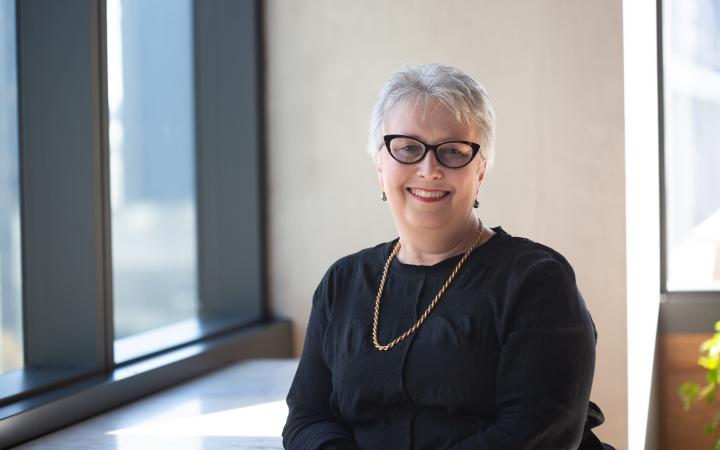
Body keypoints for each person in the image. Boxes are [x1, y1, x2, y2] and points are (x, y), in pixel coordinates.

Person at [282, 63, 613, 450]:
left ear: (481, 170)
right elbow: (307, 419)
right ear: (379, 164)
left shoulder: (536, 281)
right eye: (407, 148)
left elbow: (538, 430)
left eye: (453, 152)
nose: (429, 169)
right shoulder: (343, 282)